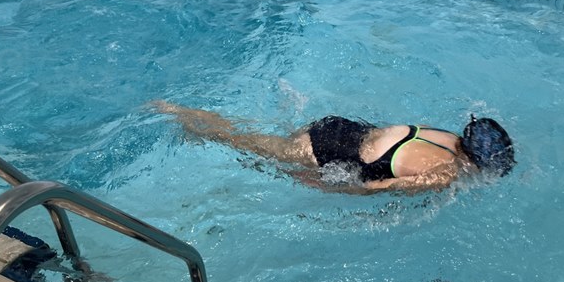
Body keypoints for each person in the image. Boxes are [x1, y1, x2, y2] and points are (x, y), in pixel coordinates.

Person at [153, 101, 515, 194]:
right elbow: (376, 187)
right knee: (242, 141)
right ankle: (182, 116)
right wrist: (326, 187)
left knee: (256, 134)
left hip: (335, 127)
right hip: (323, 153)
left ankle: (194, 120)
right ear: (475, 162)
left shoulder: (446, 136)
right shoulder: (445, 173)